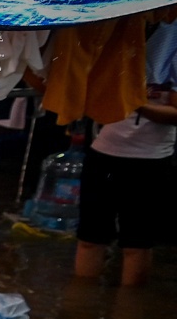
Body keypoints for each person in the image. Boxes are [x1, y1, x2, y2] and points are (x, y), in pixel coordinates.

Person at [74, 83, 177, 286]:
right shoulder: (116, 55)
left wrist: (135, 104)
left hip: (150, 159)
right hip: (102, 153)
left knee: (136, 244)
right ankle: (79, 311)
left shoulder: (170, 56)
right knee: (89, 239)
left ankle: (128, 312)